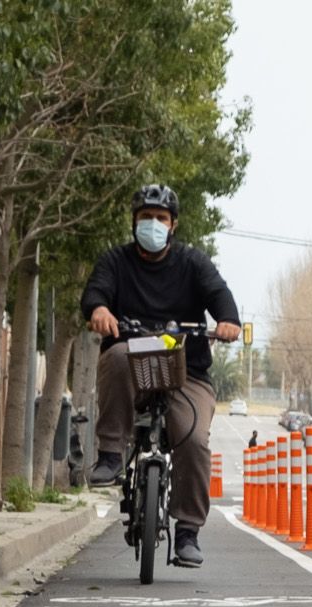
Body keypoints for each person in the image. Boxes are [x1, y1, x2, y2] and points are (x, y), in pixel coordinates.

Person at [82, 185, 241, 567]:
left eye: (161, 219)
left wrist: (228, 321)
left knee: (193, 439)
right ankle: (110, 455)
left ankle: (187, 531)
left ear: (173, 225)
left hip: (187, 371)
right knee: (118, 355)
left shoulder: (192, 262)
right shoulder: (115, 261)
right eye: (145, 218)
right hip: (132, 368)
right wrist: (100, 309)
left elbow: (219, 294)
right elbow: (95, 293)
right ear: (134, 221)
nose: (152, 224)